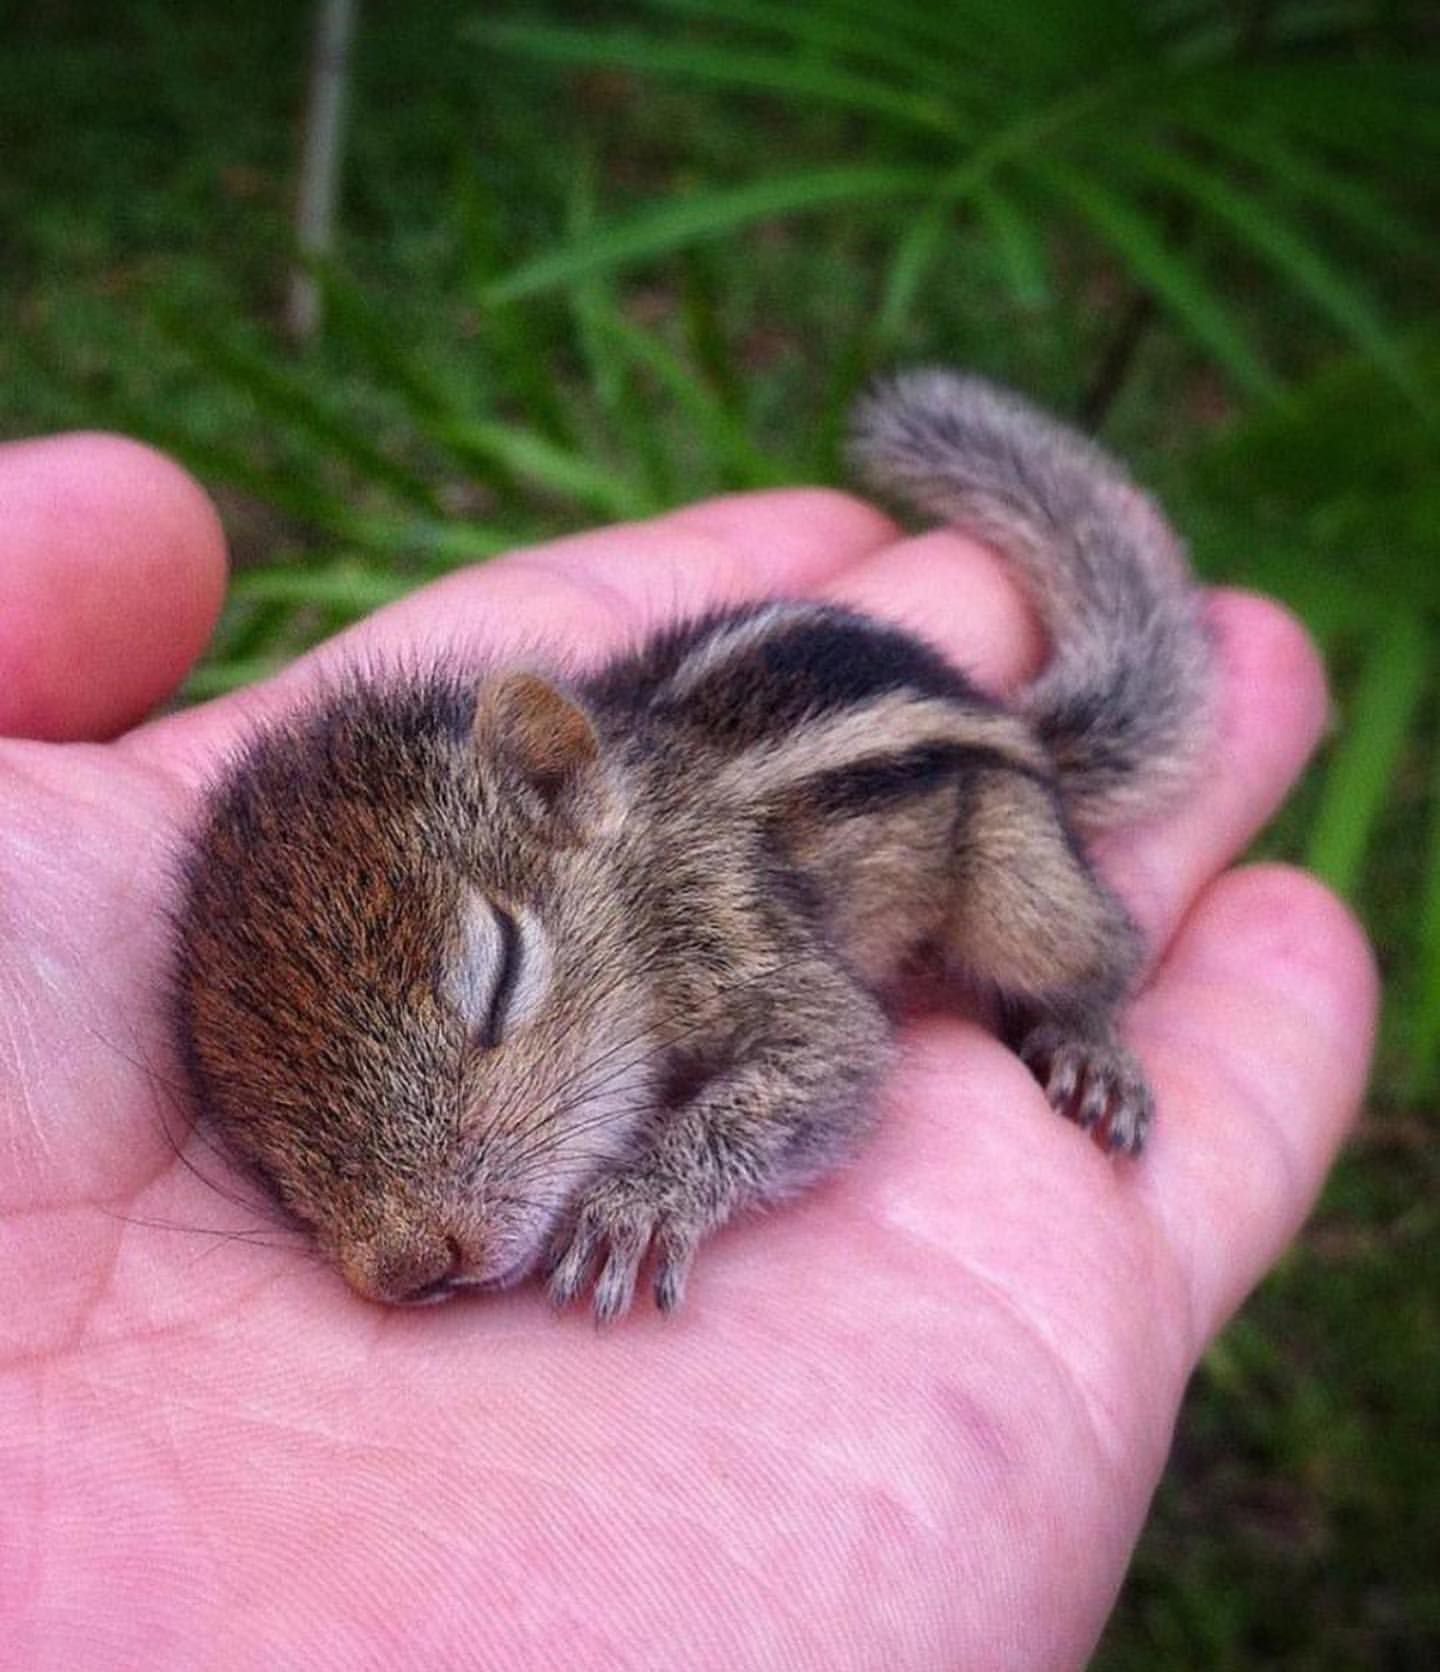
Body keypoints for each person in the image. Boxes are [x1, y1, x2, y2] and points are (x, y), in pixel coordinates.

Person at [0, 432, 1376, 1669]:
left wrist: (679, 1179)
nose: (391, 1252)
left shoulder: (688, 895)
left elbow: (833, 1053)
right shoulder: (468, 985)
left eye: (493, 996)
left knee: (1030, 925)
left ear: (560, 789)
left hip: (950, 808)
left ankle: (1083, 1002)